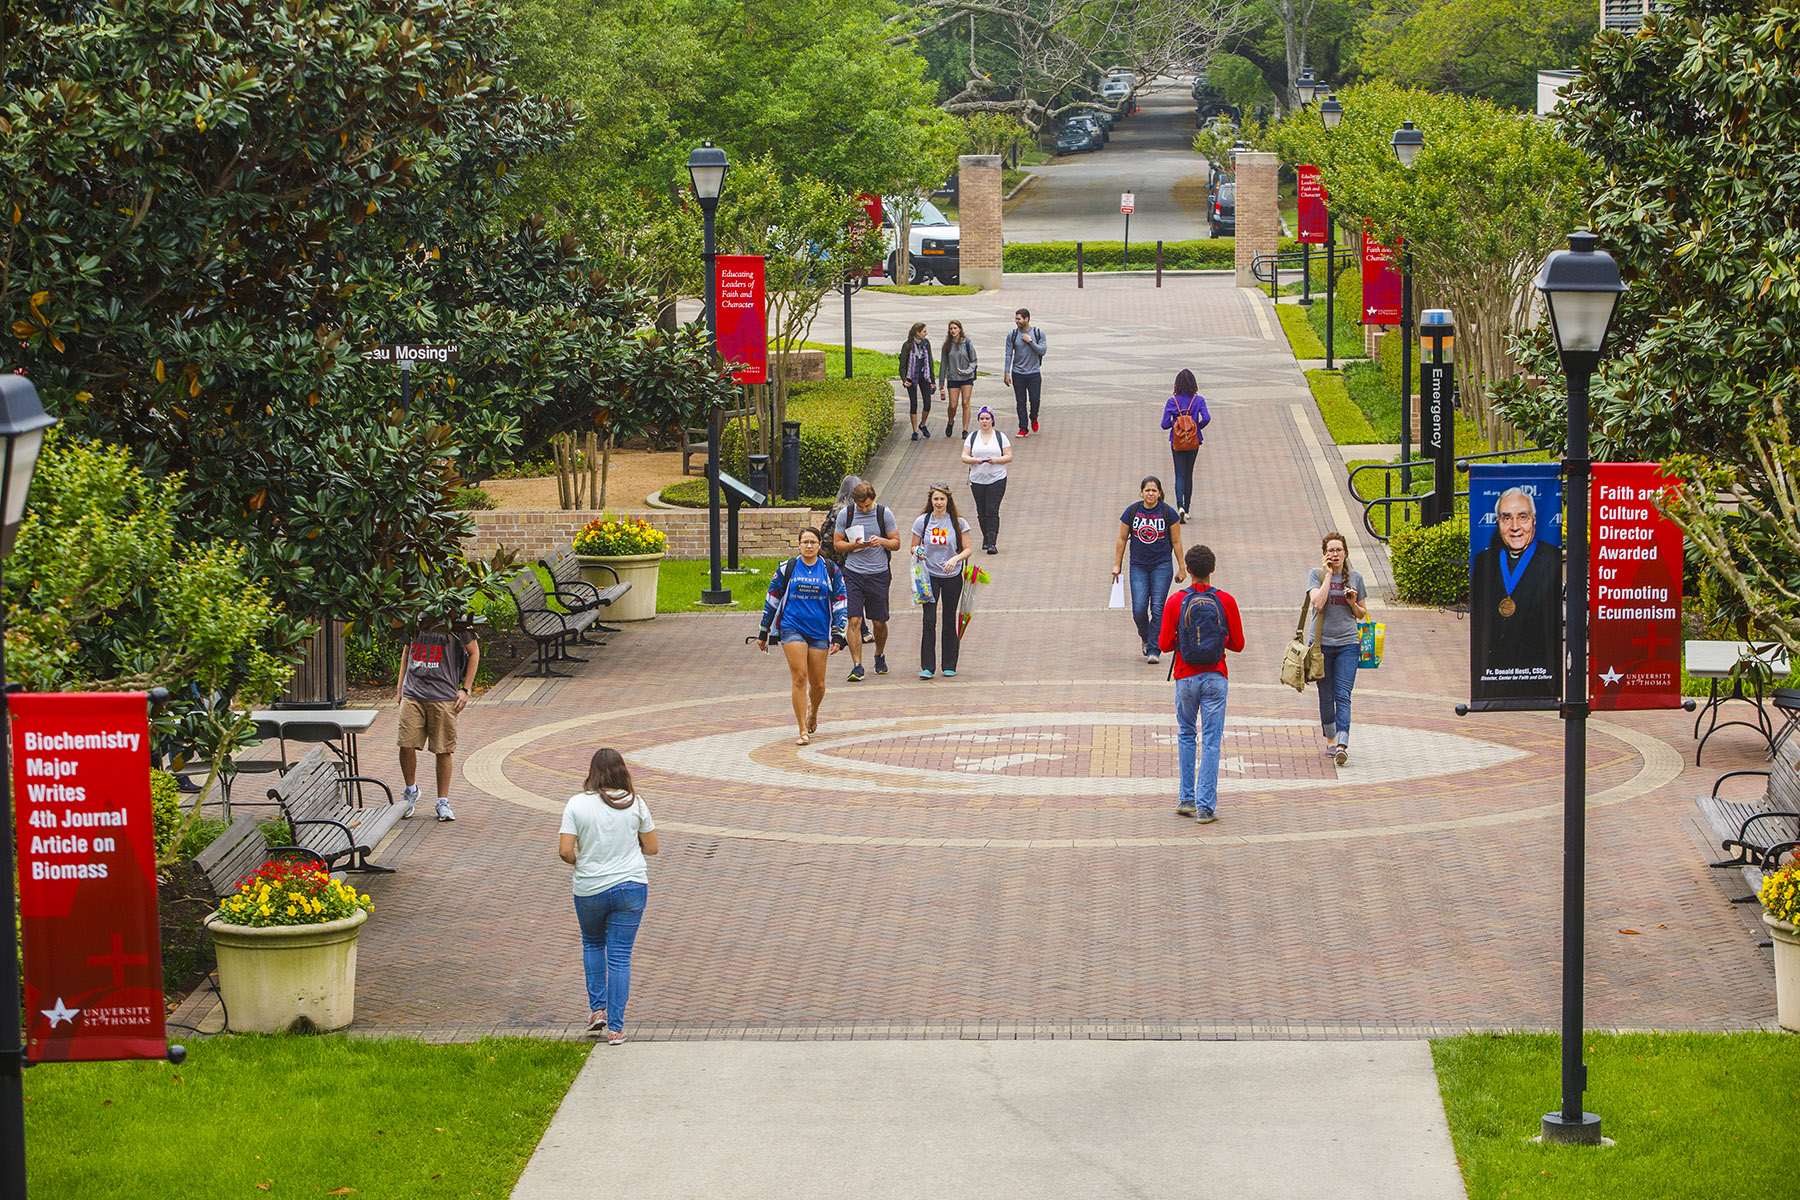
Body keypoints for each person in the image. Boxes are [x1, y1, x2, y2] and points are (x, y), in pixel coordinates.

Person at [558, 747, 658, 1046]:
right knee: (619, 956)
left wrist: (582, 862)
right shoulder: (635, 803)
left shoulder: (576, 804)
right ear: (622, 771)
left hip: (589, 888)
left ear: (593, 772)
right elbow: (652, 847)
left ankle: (597, 1009)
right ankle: (616, 1027)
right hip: (631, 886)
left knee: (592, 943)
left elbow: (565, 851)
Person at [1158, 544, 1245, 823]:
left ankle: (1186, 798)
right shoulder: (1226, 601)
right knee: (1210, 740)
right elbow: (1238, 644)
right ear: (1212, 569)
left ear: (1189, 569)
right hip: (1215, 676)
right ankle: (1206, 806)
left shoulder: (1175, 602)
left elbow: (1164, 644)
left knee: (1186, 734)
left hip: (1185, 676)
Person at [755, 528, 848, 744]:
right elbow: (773, 598)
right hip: (792, 627)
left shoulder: (830, 570)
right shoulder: (787, 568)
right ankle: (801, 729)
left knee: (818, 684)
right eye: (804, 542)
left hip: (819, 630)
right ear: (798, 545)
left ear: (819, 546)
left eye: (813, 542)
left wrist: (838, 634)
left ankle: (813, 711)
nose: (808, 546)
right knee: (799, 678)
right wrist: (763, 630)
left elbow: (841, 601)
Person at [1470, 486, 1563, 699]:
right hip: (1495, 678)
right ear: (1498, 523)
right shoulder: (1483, 562)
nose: (1515, 527)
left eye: (1522, 517)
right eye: (1506, 518)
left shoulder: (1553, 561)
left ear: (1534, 521)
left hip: (1537, 677)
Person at [395, 620, 480, 822]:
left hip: (443, 695)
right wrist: (400, 687)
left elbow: (474, 653)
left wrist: (465, 689)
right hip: (413, 693)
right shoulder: (413, 613)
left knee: (443, 749)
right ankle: (410, 790)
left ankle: (442, 801)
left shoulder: (455, 618)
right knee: (406, 744)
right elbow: (407, 652)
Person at [1307, 532, 1368, 766]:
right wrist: (1329, 576)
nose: (1335, 554)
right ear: (1324, 554)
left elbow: (1362, 614)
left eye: (1338, 550)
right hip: (1321, 645)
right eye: (1330, 551)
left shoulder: (1357, 578)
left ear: (1345, 553)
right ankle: (1331, 739)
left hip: (1348, 644)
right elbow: (1318, 602)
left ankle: (1342, 742)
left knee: (1343, 695)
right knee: (1326, 694)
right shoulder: (1317, 575)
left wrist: (1352, 602)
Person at [1113, 477, 1186, 664]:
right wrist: (1117, 565)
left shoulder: (1168, 513)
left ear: (1160, 493)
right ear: (1141, 492)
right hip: (1138, 565)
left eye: (1154, 490)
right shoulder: (1132, 512)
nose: (1151, 494)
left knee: (1158, 608)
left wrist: (1181, 567)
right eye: (1147, 490)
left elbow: (1176, 542)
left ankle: (1154, 648)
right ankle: (1145, 636)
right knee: (1138, 608)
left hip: (1161, 565)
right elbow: (1122, 539)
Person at [834, 480, 901, 682]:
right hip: (853, 573)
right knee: (854, 620)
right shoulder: (847, 514)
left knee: (879, 622)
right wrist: (853, 545)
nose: (864, 509)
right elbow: (837, 544)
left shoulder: (883, 513)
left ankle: (879, 654)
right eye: (860, 506)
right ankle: (857, 665)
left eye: (867, 505)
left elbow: (896, 543)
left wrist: (881, 541)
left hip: (878, 573)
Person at [910, 484, 973, 679]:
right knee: (929, 619)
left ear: (948, 501)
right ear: (931, 501)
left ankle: (949, 664)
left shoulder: (958, 523)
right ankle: (928, 666)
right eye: (935, 499)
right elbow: (913, 545)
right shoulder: (923, 521)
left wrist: (955, 559)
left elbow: (968, 549)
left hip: (952, 576)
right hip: (929, 576)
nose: (938, 503)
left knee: (948, 618)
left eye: (942, 499)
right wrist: (918, 551)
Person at [959, 406, 1013, 554]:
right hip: (977, 479)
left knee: (992, 509)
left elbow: (1009, 456)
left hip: (996, 478)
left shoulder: (1000, 437)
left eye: (987, 418)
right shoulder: (973, 437)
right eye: (982, 419)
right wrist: (974, 460)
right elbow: (964, 456)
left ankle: (992, 542)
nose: (984, 421)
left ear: (992, 420)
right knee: (981, 510)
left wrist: (996, 460)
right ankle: (986, 536)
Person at [1159, 369, 1211, 521]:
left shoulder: (1172, 401)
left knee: (1179, 474)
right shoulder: (1198, 400)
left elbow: (1164, 425)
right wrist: (1196, 427)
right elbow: (1207, 418)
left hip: (1177, 441)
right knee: (1189, 474)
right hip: (1194, 441)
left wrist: (1176, 424)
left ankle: (1179, 506)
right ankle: (1187, 509)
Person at [1002, 308, 1047, 437]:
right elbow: (1008, 353)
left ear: (1026, 319)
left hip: (1033, 373)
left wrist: (1030, 341)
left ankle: (1033, 417)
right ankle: (1023, 427)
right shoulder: (1013, 335)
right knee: (1020, 402)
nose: (1016, 321)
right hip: (1018, 373)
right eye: (1016, 319)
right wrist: (1006, 372)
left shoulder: (1038, 333)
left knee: (1035, 400)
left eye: (1019, 319)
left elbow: (1042, 350)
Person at [939, 319, 979, 438]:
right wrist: (941, 382)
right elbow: (943, 364)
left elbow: (974, 360)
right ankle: (950, 421)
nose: (953, 331)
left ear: (960, 329)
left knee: (965, 402)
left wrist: (966, 371)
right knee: (953, 404)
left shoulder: (967, 343)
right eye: (951, 329)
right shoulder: (947, 346)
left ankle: (965, 429)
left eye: (955, 328)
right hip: (953, 378)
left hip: (967, 377)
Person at [900, 322, 937, 440]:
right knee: (914, 403)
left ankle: (922, 424)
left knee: (927, 403)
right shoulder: (907, 345)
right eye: (924, 331)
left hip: (924, 376)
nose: (926, 334)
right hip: (912, 377)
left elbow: (930, 361)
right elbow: (902, 365)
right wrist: (904, 379)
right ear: (917, 332)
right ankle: (915, 430)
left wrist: (932, 379)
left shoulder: (926, 343)